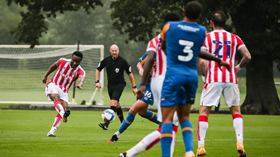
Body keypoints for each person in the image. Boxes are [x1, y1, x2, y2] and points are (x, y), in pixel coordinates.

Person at [159, 2, 231, 157]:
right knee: (185, 117)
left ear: (183, 11)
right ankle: (190, 151)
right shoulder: (202, 31)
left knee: (167, 119)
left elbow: (164, 46)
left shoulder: (169, 27)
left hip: (173, 76)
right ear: (199, 16)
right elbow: (199, 51)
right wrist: (218, 60)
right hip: (191, 77)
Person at [120, 12, 181, 157]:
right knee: (172, 125)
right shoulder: (182, 39)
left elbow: (150, 59)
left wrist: (142, 84)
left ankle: (128, 154)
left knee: (165, 126)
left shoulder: (155, 40)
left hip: (156, 83)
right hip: (173, 83)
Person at [196, 10, 251, 157]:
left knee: (204, 112)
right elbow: (247, 56)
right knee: (236, 112)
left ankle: (201, 147)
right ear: (225, 23)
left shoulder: (206, 37)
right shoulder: (234, 38)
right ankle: (240, 143)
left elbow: (202, 61)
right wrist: (237, 68)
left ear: (211, 23)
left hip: (213, 78)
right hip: (231, 79)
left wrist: (204, 75)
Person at [107, 53, 159, 143]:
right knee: (142, 112)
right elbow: (139, 64)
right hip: (144, 84)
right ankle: (166, 124)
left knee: (133, 110)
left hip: (153, 86)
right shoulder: (151, 53)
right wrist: (141, 69)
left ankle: (116, 135)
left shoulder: (167, 57)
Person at [43, 51, 85, 137]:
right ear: (71, 58)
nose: (74, 63)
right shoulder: (62, 61)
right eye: (73, 60)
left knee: (64, 108)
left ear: (80, 61)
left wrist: (79, 84)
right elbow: (53, 67)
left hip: (64, 91)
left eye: (77, 62)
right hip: (53, 84)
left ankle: (51, 132)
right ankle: (62, 112)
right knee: (57, 99)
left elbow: (81, 79)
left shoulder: (81, 71)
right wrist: (46, 76)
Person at [96, 44, 137, 130]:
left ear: (118, 51)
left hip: (120, 84)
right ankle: (123, 123)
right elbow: (98, 69)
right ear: (110, 51)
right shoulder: (106, 60)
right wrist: (97, 81)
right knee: (117, 104)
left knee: (113, 103)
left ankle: (106, 124)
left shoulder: (123, 61)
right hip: (110, 85)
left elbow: (130, 74)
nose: (114, 52)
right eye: (112, 51)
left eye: (116, 51)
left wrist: (134, 87)